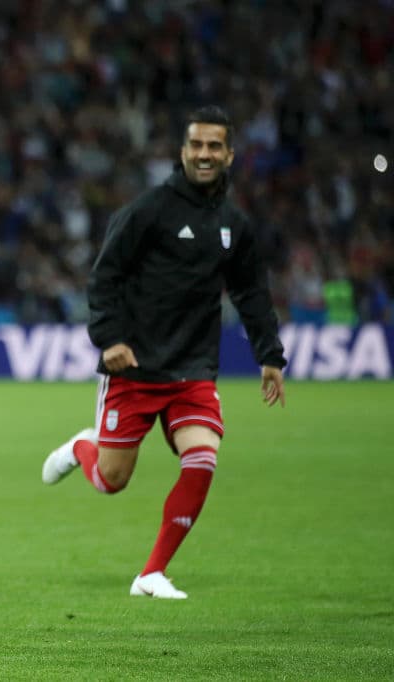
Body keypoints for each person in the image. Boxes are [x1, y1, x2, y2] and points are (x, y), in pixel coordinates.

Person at [41, 105, 287, 599]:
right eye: (196, 144)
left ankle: (151, 573)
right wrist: (109, 339)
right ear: (182, 151)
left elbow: (251, 292)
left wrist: (270, 354)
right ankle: (82, 448)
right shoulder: (148, 210)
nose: (204, 154)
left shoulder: (233, 225)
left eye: (214, 146)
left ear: (229, 155)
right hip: (134, 367)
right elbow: (104, 276)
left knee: (203, 458)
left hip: (193, 370)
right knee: (112, 482)